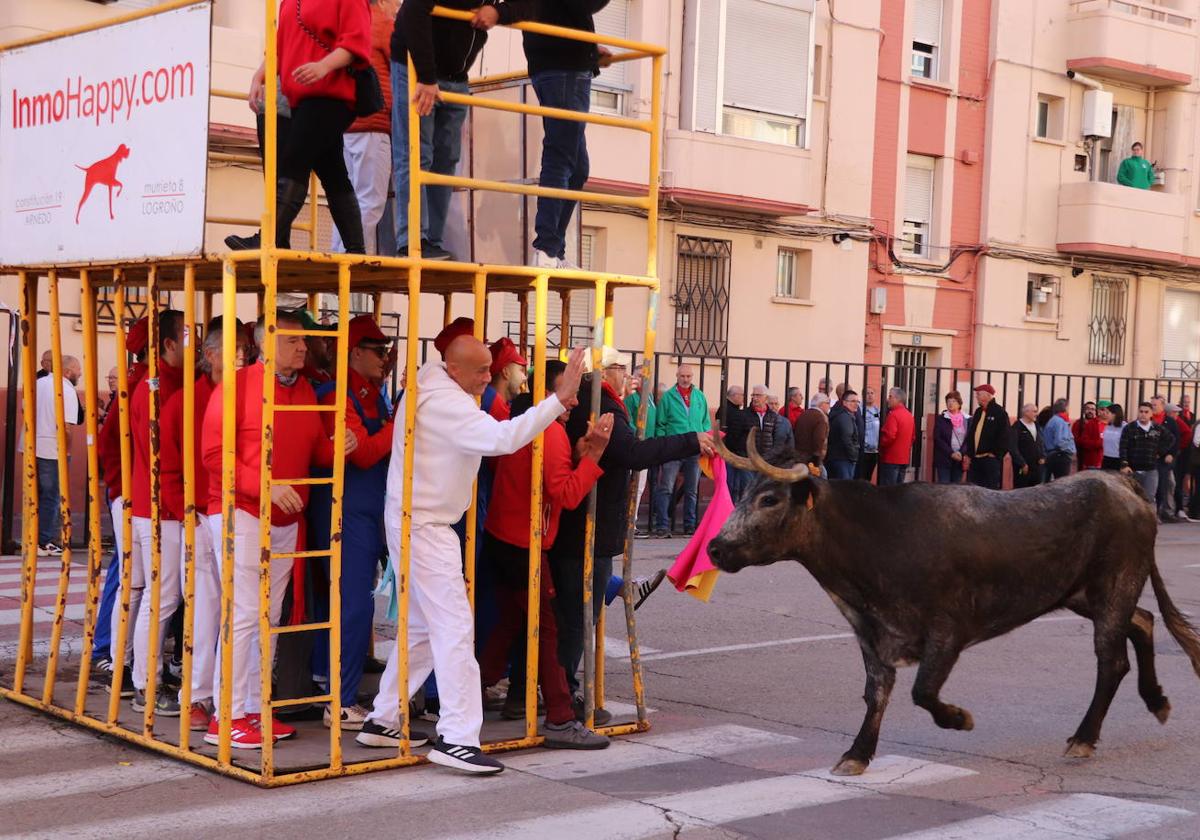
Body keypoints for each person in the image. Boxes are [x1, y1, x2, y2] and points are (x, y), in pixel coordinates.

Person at [358, 338, 586, 775]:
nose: (488, 378)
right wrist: (557, 401)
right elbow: (503, 438)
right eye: (482, 371)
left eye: (490, 369)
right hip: (426, 525)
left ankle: (383, 718)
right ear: (455, 369)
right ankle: (458, 737)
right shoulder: (447, 404)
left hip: (414, 519)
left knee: (424, 629)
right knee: (455, 629)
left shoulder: (431, 380)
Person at [199, 310, 351, 749]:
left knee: (265, 616)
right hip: (241, 512)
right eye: (293, 341)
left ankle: (253, 710)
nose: (303, 348)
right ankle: (226, 717)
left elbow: (310, 449)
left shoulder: (302, 389)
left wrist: (337, 447)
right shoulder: (237, 385)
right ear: (265, 344)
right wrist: (265, 485)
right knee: (246, 615)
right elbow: (214, 456)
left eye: (304, 341)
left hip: (285, 519)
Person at [553, 347, 711, 720]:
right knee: (578, 619)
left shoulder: (598, 401)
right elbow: (632, 452)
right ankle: (566, 698)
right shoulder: (602, 404)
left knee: (575, 615)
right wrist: (691, 440)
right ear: (609, 372)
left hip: (587, 527)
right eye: (622, 369)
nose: (628, 377)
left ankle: (556, 691)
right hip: (587, 529)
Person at [479, 359, 612, 749]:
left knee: (505, 628)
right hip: (525, 546)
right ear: (550, 394)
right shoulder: (548, 433)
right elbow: (566, 495)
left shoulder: (525, 424)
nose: (574, 401)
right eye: (568, 390)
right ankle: (559, 717)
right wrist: (593, 457)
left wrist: (577, 454)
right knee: (548, 634)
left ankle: (460, 696)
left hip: (502, 538)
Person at [391, 0, 536, 260]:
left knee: (446, 162)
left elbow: (531, 6)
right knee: (415, 154)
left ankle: (432, 242)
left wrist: (497, 12)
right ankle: (412, 241)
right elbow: (414, 9)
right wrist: (426, 76)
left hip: (457, 76)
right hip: (416, 68)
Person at [308, 315, 395, 731]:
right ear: (356, 352)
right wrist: (400, 427)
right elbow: (361, 453)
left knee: (352, 604)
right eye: (377, 350)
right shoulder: (335, 394)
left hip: (369, 509)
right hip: (343, 511)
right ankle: (338, 702)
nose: (385, 357)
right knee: (352, 605)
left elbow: (370, 446)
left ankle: (334, 687)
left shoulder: (374, 394)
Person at [230, 0, 372, 252]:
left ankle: (269, 239)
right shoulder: (288, 2)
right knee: (332, 171)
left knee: (294, 162)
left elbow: (356, 42)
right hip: (303, 99)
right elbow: (280, 47)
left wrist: (323, 66)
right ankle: (356, 248)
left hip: (332, 96)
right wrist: (258, 76)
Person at [158, 316, 242, 731]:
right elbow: (169, 467)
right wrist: (186, 515)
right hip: (199, 516)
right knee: (206, 609)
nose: (244, 354)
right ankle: (198, 696)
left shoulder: (249, 393)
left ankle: (233, 696)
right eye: (234, 347)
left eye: (246, 346)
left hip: (238, 512)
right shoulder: (184, 402)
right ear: (210, 356)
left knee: (238, 609)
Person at [127, 311, 187, 717]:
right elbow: (160, 454)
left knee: (155, 595)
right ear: (168, 344)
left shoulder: (162, 383)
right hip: (158, 505)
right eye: (187, 336)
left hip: (153, 502)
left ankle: (144, 676)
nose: (193, 345)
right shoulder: (158, 387)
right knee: (161, 597)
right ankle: (145, 685)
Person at [525, 1, 613, 268]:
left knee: (577, 167)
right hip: (563, 67)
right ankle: (546, 247)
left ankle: (554, 248)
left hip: (561, 62)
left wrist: (587, 49)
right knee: (560, 157)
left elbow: (561, 11)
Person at [92, 317, 149, 693]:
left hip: (130, 492)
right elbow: (111, 443)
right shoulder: (140, 384)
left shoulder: (137, 381)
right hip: (130, 495)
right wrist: (120, 486)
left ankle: (113, 653)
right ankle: (108, 652)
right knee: (129, 578)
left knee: (130, 577)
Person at [330, 0, 395, 254]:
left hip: (345, 123)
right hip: (374, 123)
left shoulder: (346, 23)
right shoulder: (383, 23)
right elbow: (404, 70)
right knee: (370, 199)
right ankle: (354, 254)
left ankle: (338, 253)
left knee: (346, 197)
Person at [652, 365, 710, 538]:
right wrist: (663, 446)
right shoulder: (668, 398)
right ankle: (662, 525)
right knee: (666, 488)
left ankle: (689, 526)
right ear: (677, 376)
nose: (686, 379)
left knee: (692, 490)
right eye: (682, 376)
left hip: (694, 448)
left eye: (689, 376)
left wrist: (705, 443)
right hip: (674, 447)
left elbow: (705, 423)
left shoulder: (700, 397)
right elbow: (660, 424)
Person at [33, 354, 81, 557]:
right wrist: (67, 450)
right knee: (52, 497)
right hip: (53, 449)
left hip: (32, 445)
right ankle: (44, 542)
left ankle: (33, 538)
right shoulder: (66, 390)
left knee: (35, 494)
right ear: (68, 371)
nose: (80, 374)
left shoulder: (39, 382)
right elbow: (66, 427)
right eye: (78, 370)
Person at [1119, 402, 1175, 503]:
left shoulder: (1157, 428)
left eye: (1146, 412)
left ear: (1151, 414)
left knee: (1149, 498)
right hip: (1133, 470)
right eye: (1141, 411)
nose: (1143, 414)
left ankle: (1150, 518)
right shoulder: (1129, 428)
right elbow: (1123, 447)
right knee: (1132, 499)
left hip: (1151, 470)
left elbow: (1171, 439)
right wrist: (1124, 464)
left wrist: (1160, 452)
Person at [963, 383, 1010, 490]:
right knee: (974, 489)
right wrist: (969, 454)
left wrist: (996, 454)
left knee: (990, 489)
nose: (976, 397)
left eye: (979, 394)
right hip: (975, 459)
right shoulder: (978, 412)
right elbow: (972, 433)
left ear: (987, 396)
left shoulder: (999, 412)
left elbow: (1005, 435)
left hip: (990, 459)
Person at [877, 387, 914, 486]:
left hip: (891, 457)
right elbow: (913, 437)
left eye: (890, 396)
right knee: (899, 490)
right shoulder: (909, 415)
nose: (888, 399)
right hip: (904, 458)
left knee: (888, 490)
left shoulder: (893, 415)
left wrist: (881, 446)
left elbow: (889, 436)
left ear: (898, 399)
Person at [931, 390, 967, 485]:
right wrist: (951, 453)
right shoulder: (941, 418)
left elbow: (969, 439)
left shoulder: (967, 419)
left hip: (959, 459)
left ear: (959, 403)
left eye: (953, 401)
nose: (950, 403)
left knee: (956, 488)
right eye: (948, 401)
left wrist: (960, 453)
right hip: (944, 458)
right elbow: (938, 438)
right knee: (944, 487)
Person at [487, 336, 528, 419]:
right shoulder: (492, 402)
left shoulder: (504, 402)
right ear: (506, 372)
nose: (524, 378)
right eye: (521, 370)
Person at [825, 389, 859, 480]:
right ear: (844, 403)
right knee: (844, 488)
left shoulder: (841, 414)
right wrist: (853, 455)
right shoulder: (845, 417)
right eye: (853, 401)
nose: (856, 404)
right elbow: (846, 438)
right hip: (843, 458)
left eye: (857, 401)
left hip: (838, 457)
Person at [1010, 403, 1045, 489]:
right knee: (1021, 492)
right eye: (1034, 411)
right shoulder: (1017, 427)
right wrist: (1022, 463)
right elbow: (1012, 448)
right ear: (1026, 412)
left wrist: (1043, 456)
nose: (1036, 414)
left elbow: (1041, 442)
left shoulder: (1037, 425)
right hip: (1023, 468)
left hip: (1037, 468)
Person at [1167, 403, 1191, 521]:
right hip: (1172, 455)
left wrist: (1179, 447)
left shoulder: (1177, 422)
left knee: (1174, 482)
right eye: (1175, 412)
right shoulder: (1171, 421)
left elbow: (1187, 433)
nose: (1177, 414)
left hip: (1175, 456)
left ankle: (1177, 508)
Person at [793, 393, 830, 471]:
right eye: (828, 403)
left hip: (799, 455)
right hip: (812, 458)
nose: (829, 406)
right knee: (821, 478)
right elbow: (820, 438)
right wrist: (817, 457)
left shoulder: (804, 414)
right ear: (821, 404)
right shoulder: (820, 417)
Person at [1041, 398, 1076, 481]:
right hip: (1060, 456)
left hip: (1052, 455)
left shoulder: (1053, 420)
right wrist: (1071, 450)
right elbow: (1060, 441)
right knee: (1061, 484)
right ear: (1065, 408)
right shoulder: (1060, 422)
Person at [856, 386, 880, 481]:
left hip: (874, 451)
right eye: (867, 393)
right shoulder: (860, 410)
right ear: (863, 396)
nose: (870, 395)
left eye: (872, 393)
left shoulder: (877, 410)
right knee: (861, 478)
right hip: (863, 450)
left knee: (868, 477)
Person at [1072, 401, 1104, 471]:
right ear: (1084, 410)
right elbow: (1075, 439)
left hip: (1098, 458)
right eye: (1088, 409)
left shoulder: (1099, 423)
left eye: (1092, 409)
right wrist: (1087, 443)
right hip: (1082, 455)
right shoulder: (1078, 423)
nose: (1090, 411)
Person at [1101, 403, 1125, 471]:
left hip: (1118, 459)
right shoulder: (1107, 426)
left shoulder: (1125, 427)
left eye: (1107, 412)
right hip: (1106, 458)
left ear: (1114, 414)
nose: (1105, 414)